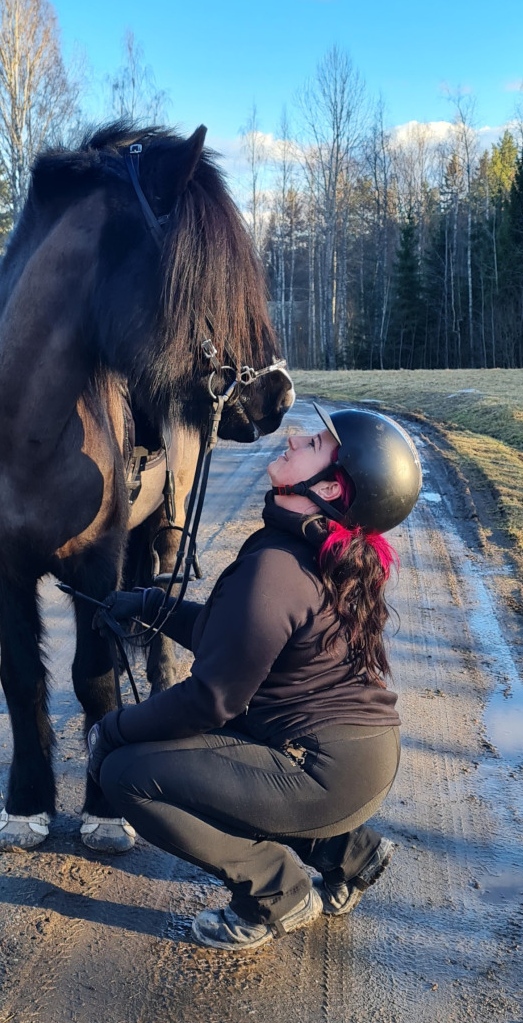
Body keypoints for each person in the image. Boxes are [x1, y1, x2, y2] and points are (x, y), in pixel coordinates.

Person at [87, 404, 422, 952]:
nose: (294, 440)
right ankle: (348, 852)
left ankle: (276, 893)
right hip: (357, 759)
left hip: (323, 772)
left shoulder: (280, 568)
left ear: (332, 489)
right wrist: (151, 605)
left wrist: (116, 728)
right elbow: (240, 639)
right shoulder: (309, 551)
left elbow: (210, 699)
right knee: (218, 755)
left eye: (313, 444)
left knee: (127, 773)